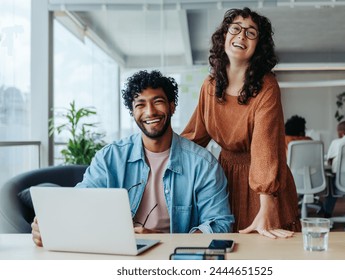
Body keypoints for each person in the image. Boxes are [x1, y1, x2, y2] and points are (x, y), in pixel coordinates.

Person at [31, 70, 234, 246]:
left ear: (172, 107)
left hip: (173, 256)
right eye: (140, 104)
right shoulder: (110, 157)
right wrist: (51, 224)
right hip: (118, 252)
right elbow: (81, 202)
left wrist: (164, 240)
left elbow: (220, 223)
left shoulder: (203, 164)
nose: (150, 111)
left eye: (158, 101)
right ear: (133, 111)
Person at [181, 7, 300, 239]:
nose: (241, 36)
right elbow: (195, 137)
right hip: (224, 178)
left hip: (263, 183)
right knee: (228, 248)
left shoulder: (267, 86)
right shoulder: (210, 85)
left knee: (267, 249)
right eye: (235, 28)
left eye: (251, 32)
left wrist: (267, 203)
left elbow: (264, 147)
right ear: (224, 35)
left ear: (259, 45)